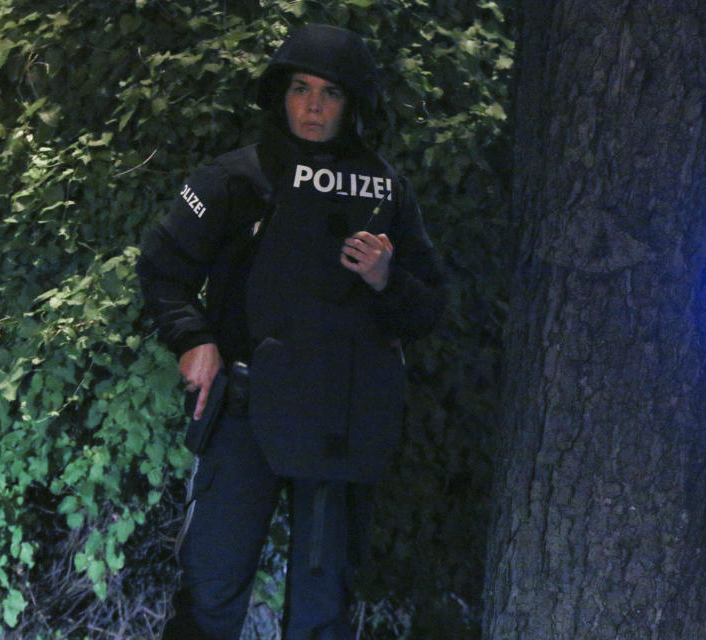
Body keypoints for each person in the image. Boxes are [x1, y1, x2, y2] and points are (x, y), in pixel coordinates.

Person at [136, 23, 445, 640]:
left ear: (352, 104)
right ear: (279, 94)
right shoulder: (234, 180)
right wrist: (193, 340)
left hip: (341, 417)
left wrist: (388, 279)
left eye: (330, 93)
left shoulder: (384, 193)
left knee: (322, 608)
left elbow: (428, 309)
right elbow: (162, 269)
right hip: (248, 409)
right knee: (210, 591)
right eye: (301, 88)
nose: (312, 105)